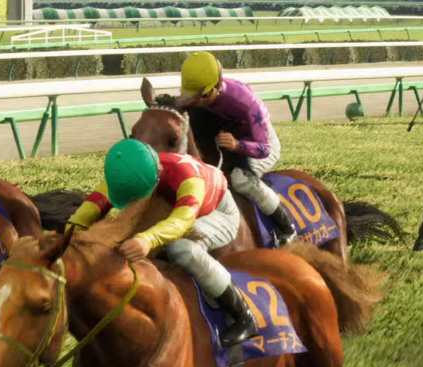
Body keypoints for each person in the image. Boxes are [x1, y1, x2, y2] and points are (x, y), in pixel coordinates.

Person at [66, 138, 259, 348]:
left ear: (156, 176)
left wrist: (147, 239)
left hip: (215, 212)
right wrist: (69, 236)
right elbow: (91, 207)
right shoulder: (128, 169)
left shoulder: (188, 178)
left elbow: (182, 221)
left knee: (181, 248)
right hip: (172, 207)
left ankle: (243, 315)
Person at [177, 51, 298, 246]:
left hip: (259, 141)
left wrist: (237, 145)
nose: (197, 101)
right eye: (193, 95)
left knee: (241, 180)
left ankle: (288, 228)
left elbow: (265, 149)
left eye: (203, 96)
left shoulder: (245, 101)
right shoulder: (197, 93)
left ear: (218, 84)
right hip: (225, 140)